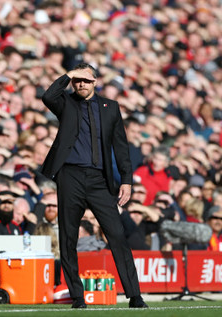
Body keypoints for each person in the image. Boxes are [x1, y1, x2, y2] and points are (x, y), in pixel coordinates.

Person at [40, 63, 147, 308]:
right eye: (77, 80)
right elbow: (48, 96)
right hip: (70, 176)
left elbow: (121, 147)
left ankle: (135, 295)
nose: (81, 84)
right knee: (68, 236)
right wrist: (68, 75)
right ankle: (78, 296)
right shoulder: (65, 102)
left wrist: (127, 180)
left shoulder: (111, 108)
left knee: (117, 235)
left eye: (86, 80)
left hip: (100, 180)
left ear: (95, 81)